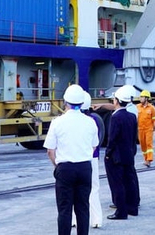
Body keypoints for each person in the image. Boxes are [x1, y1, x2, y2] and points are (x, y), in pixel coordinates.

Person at [44, 84, 99, 235]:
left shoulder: (57, 122)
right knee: (83, 208)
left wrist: (58, 165)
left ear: (65, 101)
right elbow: (94, 146)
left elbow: (50, 150)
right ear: (82, 103)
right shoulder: (90, 122)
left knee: (64, 210)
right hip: (84, 168)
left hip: (65, 169)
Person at [105, 85, 140, 220]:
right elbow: (133, 137)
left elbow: (112, 138)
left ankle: (121, 212)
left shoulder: (115, 117)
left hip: (116, 156)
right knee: (130, 180)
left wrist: (108, 153)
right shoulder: (132, 116)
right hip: (129, 154)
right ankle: (133, 208)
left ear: (117, 100)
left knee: (117, 183)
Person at [72, 92, 104, 229]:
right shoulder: (94, 120)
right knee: (94, 188)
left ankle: (73, 219)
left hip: (75, 158)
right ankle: (96, 219)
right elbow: (96, 141)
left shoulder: (71, 120)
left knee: (73, 190)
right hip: (92, 157)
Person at [137, 89, 155, 167]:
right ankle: (145, 159)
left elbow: (154, 118)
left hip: (148, 129)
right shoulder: (137, 107)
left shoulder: (151, 108)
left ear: (146, 98)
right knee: (143, 145)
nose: (140, 98)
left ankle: (149, 160)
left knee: (149, 144)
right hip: (140, 129)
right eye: (140, 97)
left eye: (142, 97)